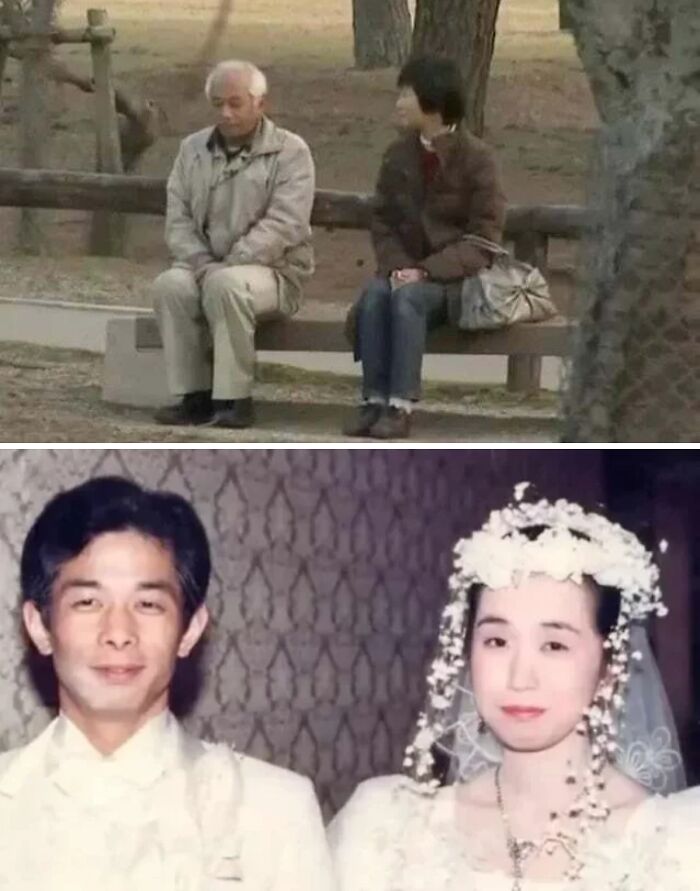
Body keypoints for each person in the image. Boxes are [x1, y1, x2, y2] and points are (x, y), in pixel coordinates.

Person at [328, 484, 699, 890]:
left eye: (554, 645)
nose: (520, 677)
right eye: (497, 641)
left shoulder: (678, 845)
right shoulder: (387, 829)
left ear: (609, 667)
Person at [0, 476, 334, 891]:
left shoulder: (274, 810)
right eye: (87, 602)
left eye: (148, 604)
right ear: (39, 626)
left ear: (189, 630)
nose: (118, 633)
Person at [343, 55, 506, 440]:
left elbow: (483, 239)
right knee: (375, 296)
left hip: (452, 282)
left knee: (407, 299)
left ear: (433, 101)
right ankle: (373, 401)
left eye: (406, 94)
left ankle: (400, 406)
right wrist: (399, 266)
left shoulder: (477, 159)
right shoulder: (397, 155)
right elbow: (382, 221)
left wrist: (426, 271)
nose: (398, 103)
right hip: (400, 272)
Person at [152, 60, 316, 429]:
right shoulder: (191, 150)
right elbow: (177, 219)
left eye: (235, 103)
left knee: (226, 285)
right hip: (203, 266)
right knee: (170, 285)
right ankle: (192, 395)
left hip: (273, 272)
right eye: (217, 104)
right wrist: (201, 263)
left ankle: (234, 399)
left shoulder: (290, 152)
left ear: (261, 103)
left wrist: (231, 263)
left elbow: (285, 223)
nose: (225, 113)